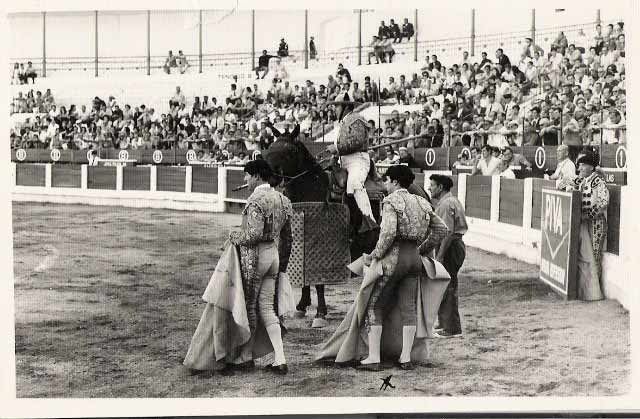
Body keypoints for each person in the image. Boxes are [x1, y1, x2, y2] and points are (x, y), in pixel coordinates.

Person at [316, 165, 450, 370]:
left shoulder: (391, 202)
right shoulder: (422, 202)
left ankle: (373, 357)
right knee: (409, 309)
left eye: (386, 181)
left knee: (373, 305)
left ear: (395, 182)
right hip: (413, 260)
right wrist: (421, 249)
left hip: (393, 259)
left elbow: (387, 234)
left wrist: (374, 256)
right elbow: (442, 229)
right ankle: (405, 357)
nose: (384, 185)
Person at [183, 160, 294, 375]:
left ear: (257, 176)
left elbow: (253, 235)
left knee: (250, 306)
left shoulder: (255, 201)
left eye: (247, 175)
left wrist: (233, 236)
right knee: (267, 308)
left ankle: (244, 357)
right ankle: (280, 359)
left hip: (256, 257)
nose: (245, 179)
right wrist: (281, 268)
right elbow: (288, 239)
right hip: (274, 256)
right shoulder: (283, 200)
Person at [559, 151, 609, 301]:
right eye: (579, 165)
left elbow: (603, 202)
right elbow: (564, 182)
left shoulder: (597, 182)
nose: (579, 168)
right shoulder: (584, 180)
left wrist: (588, 215)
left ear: (591, 167)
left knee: (594, 256)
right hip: (584, 223)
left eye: (582, 165)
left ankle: (594, 292)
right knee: (584, 256)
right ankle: (586, 291)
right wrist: (565, 186)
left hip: (596, 224)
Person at [326, 100, 379, 232]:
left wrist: (336, 148)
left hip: (357, 161)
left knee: (355, 184)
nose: (335, 109)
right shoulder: (343, 123)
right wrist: (334, 157)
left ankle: (369, 222)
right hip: (343, 161)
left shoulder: (356, 119)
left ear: (345, 107)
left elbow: (357, 141)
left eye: (337, 106)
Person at [428, 174, 468, 338]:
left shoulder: (445, 204)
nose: (430, 188)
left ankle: (450, 328)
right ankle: (447, 323)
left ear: (440, 187)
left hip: (450, 247)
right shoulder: (451, 201)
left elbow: (447, 233)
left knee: (447, 285)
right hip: (454, 246)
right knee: (448, 284)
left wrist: (440, 255)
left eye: (432, 185)